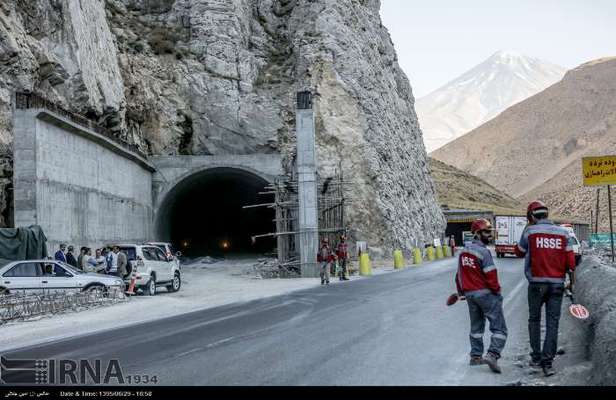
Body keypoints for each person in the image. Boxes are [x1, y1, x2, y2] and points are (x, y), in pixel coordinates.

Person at [515, 201, 576, 377]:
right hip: (556, 284)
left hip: (536, 285)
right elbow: (571, 263)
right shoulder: (564, 233)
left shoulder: (530, 231)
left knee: (534, 320)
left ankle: (535, 357)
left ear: (532, 216)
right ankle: (548, 362)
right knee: (552, 322)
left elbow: (519, 252)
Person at [455, 218, 507, 374]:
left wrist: (461, 293)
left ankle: (476, 356)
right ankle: (492, 354)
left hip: (470, 295)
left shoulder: (463, 251)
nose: (489, 235)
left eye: (489, 232)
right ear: (477, 233)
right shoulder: (484, 252)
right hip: (485, 294)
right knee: (500, 328)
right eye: (486, 232)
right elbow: (491, 275)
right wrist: (497, 292)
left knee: (476, 327)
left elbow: (458, 275)